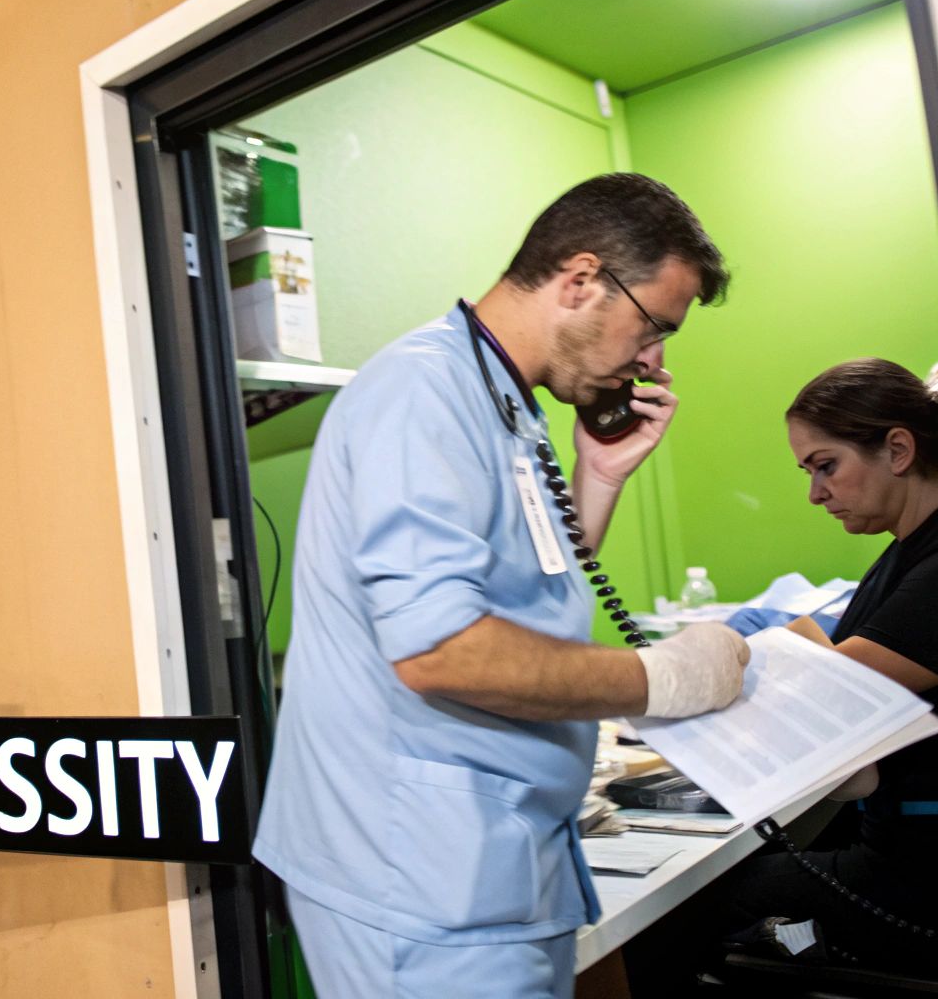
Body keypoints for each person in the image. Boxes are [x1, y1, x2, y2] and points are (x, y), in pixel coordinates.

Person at [253, 173, 752, 998]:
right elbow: (443, 651)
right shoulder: (424, 391)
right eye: (654, 327)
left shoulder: (505, 403)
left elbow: (524, 596)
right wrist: (663, 679)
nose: (654, 359)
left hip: (491, 856)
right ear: (581, 278)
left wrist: (599, 476)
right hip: (416, 877)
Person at [626, 358, 938, 992]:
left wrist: (731, 662)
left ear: (898, 449)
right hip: (912, 851)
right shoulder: (911, 553)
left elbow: (821, 703)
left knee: (674, 908)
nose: (815, 492)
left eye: (826, 465)